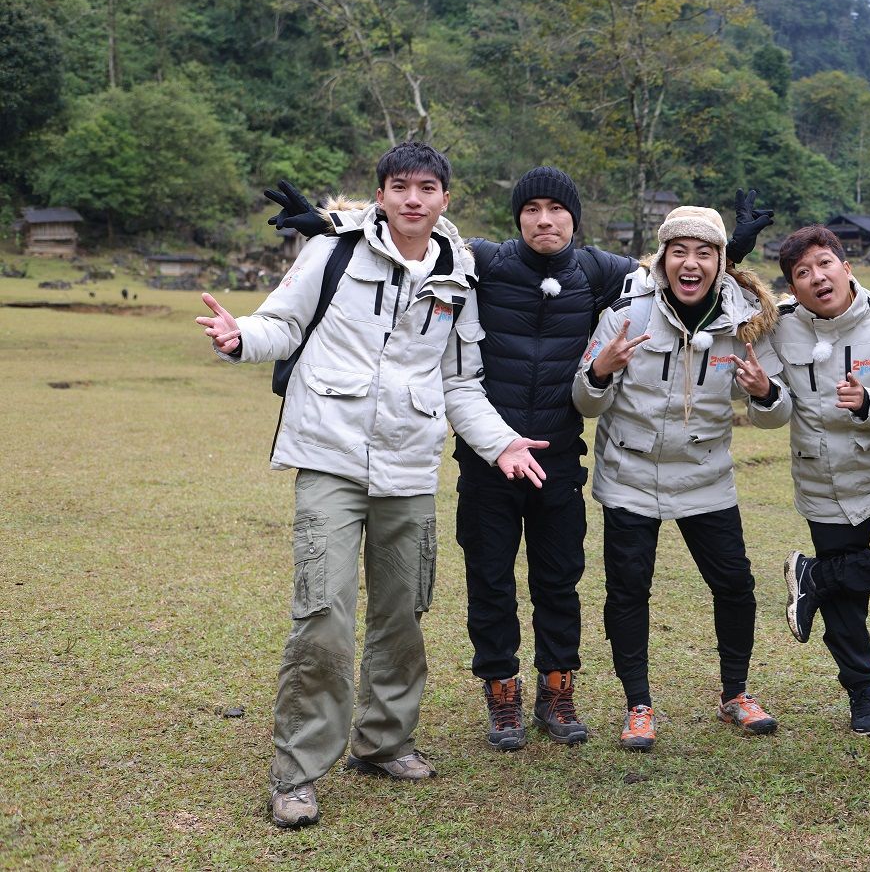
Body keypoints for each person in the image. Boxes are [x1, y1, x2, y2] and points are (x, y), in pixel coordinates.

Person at [265, 175, 772, 751]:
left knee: (560, 581)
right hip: (488, 458)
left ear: (574, 219)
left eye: (557, 209)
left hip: (558, 456)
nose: (544, 220)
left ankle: (559, 691)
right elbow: (420, 227)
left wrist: (735, 252)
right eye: (531, 209)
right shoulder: (483, 261)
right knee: (490, 581)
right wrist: (332, 223)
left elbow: (676, 274)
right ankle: (501, 693)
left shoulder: (598, 272)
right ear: (518, 219)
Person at [198, 141, 547, 828]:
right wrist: (240, 337)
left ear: (446, 198)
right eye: (399, 186)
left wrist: (500, 439)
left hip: (409, 464)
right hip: (329, 454)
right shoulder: (332, 252)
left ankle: (385, 740)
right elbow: (284, 321)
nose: (412, 198)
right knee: (322, 614)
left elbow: (459, 382)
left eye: (426, 187)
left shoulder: (459, 274)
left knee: (400, 612)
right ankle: (296, 773)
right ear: (379, 194)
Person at [572, 205, 785, 751]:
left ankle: (735, 694)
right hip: (629, 475)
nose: (690, 264)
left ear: (721, 262)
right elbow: (585, 401)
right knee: (627, 590)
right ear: (662, 259)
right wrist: (600, 372)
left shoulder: (746, 323)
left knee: (735, 584)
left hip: (705, 477)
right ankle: (637, 704)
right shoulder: (627, 316)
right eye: (679, 252)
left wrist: (762, 392)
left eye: (704, 252)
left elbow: (777, 412)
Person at [751, 225, 870, 735]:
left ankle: (813, 576)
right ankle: (862, 696)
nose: (816, 278)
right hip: (822, 484)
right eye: (801, 273)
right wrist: (763, 395)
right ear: (791, 288)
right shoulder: (781, 327)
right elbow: (773, 415)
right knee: (846, 608)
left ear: (847, 266)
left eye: (824, 264)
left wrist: (868, 404)